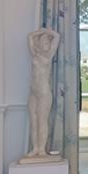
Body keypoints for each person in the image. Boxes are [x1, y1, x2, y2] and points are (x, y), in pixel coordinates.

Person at [27, 28, 60, 157]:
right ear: (39, 45)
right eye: (44, 43)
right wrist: (39, 33)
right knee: (33, 121)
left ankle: (42, 149)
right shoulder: (35, 54)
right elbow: (30, 36)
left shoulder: (49, 55)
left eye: (48, 43)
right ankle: (35, 148)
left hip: (44, 93)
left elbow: (56, 36)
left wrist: (46, 31)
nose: (47, 45)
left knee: (42, 120)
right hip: (33, 92)